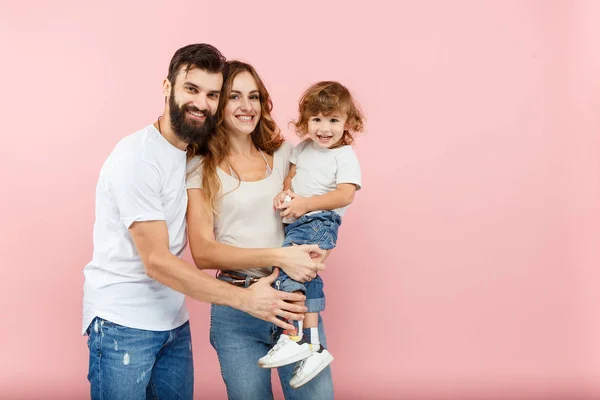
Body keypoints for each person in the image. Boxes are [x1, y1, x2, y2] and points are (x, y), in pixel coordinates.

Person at [82, 44, 323, 400]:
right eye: (191, 89)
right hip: (123, 325)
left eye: (212, 94)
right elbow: (158, 262)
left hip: (173, 324)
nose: (201, 103)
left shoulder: (187, 155)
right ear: (167, 87)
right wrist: (244, 300)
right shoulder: (136, 160)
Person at [186, 61, 334, 399]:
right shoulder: (200, 166)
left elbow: (318, 209)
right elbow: (203, 252)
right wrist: (279, 254)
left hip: (293, 302)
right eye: (234, 97)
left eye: (253, 96)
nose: (246, 106)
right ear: (218, 105)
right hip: (237, 308)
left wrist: (317, 252)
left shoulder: (284, 155)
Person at [258, 81, 364, 388]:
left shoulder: (343, 156)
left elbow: (345, 195)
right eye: (317, 119)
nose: (324, 128)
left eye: (333, 120)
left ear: (348, 123)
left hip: (320, 221)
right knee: (304, 276)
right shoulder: (301, 149)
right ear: (305, 121)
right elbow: (290, 181)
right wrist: (285, 196)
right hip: (299, 222)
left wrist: (306, 205)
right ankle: (312, 344)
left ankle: (293, 336)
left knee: (289, 273)